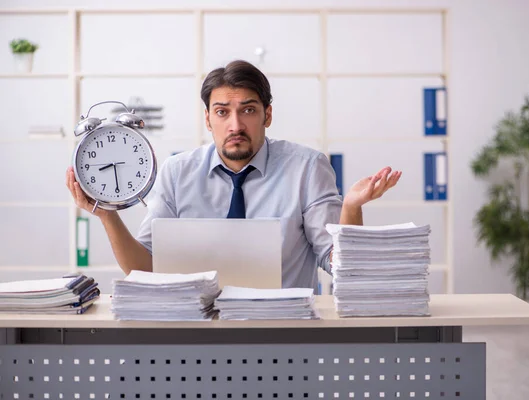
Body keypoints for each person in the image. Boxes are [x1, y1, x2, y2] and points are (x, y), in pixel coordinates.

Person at [66, 60, 401, 290]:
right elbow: (145, 269)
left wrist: (352, 208)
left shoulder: (307, 167)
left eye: (249, 110)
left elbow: (340, 265)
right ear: (208, 119)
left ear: (267, 115)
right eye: (223, 112)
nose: (236, 125)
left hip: (284, 334)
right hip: (196, 334)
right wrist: (107, 216)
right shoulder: (177, 172)